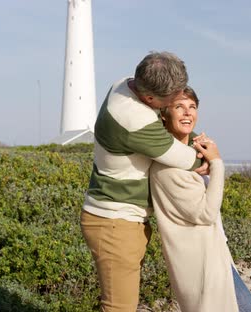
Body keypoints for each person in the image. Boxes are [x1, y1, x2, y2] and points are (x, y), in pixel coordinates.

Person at [80, 51, 208, 312]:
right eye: (174, 101)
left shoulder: (125, 83)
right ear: (150, 98)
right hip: (115, 223)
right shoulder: (134, 120)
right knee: (119, 308)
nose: (179, 102)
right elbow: (188, 159)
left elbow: (169, 129)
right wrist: (209, 155)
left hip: (120, 220)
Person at [150, 86, 251, 312]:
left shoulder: (189, 158)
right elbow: (206, 213)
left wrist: (205, 159)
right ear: (164, 113)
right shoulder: (167, 167)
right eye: (179, 107)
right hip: (200, 262)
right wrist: (218, 164)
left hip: (215, 254)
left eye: (192, 107)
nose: (187, 113)